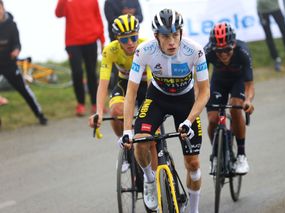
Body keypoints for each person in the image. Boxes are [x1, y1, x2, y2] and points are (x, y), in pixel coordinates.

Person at [120, 9, 210, 212]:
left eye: (175, 35)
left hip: (185, 102)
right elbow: (131, 93)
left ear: (181, 32)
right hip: (157, 98)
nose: (172, 41)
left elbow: (204, 93)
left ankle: (194, 209)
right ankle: (150, 180)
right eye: (165, 36)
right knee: (141, 141)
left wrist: (189, 120)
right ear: (156, 36)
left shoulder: (194, 51)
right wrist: (127, 130)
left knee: (193, 164)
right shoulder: (144, 51)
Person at [88, 14, 157, 172]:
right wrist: (98, 112)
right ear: (117, 38)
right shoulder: (110, 50)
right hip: (124, 82)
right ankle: (126, 148)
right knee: (116, 112)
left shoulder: (145, 46)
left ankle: (154, 178)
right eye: (125, 39)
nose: (130, 43)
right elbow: (103, 84)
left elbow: (152, 82)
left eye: (133, 37)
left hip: (146, 83)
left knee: (151, 136)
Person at [204, 22, 255, 175]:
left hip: (237, 82)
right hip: (218, 82)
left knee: (235, 107)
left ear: (233, 45)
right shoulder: (207, 52)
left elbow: (249, 85)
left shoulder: (243, 51)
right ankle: (215, 155)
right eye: (219, 51)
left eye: (227, 50)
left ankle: (241, 155)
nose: (224, 54)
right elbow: (201, 81)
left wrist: (248, 100)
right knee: (213, 119)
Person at [0, 0, 47, 125]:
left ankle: (40, 115)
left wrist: (16, 50)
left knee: (24, 90)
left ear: (3, 8)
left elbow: (17, 43)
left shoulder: (11, 25)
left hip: (9, 63)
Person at [55, 0, 105, 116]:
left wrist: (102, 40)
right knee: (77, 73)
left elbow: (98, 18)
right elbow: (58, 14)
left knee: (91, 73)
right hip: (73, 42)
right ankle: (80, 104)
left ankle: (95, 103)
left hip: (91, 40)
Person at [257, 0, 285, 71]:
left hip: (276, 9)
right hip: (263, 12)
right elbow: (258, 2)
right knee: (268, 36)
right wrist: (260, 16)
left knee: (284, 32)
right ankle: (276, 59)